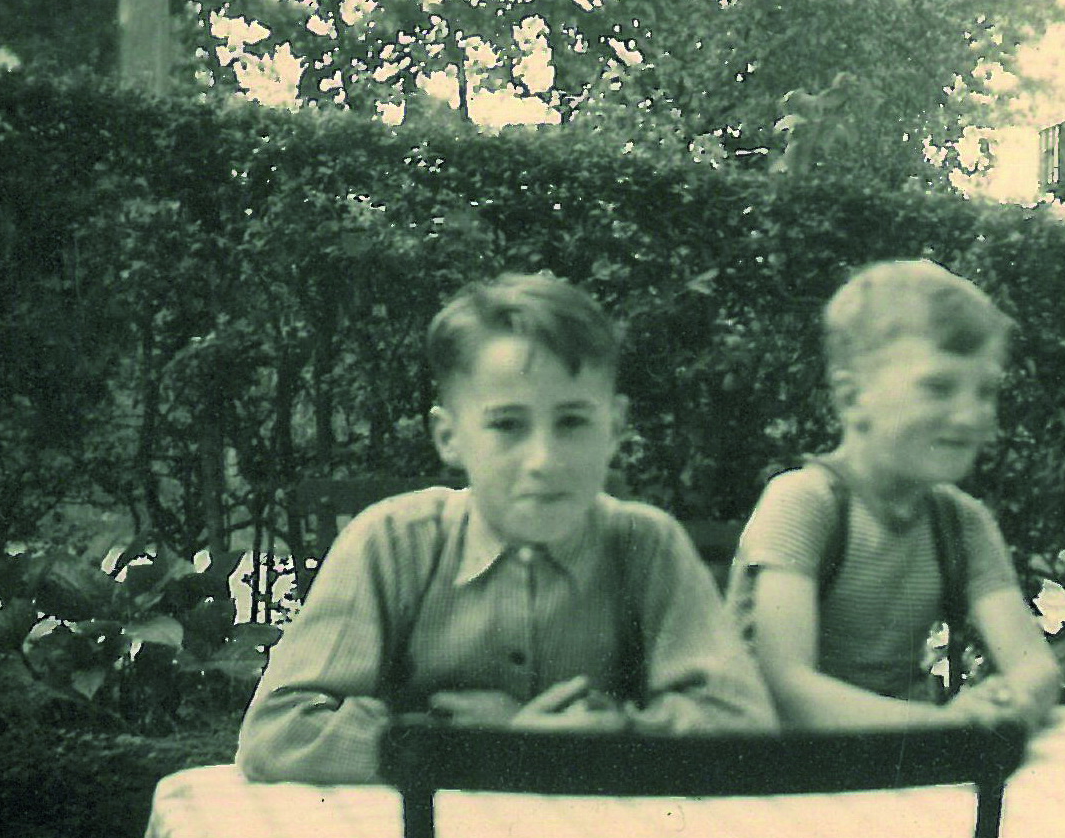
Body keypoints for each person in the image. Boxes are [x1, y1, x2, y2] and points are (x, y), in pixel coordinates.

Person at [237, 271, 776, 783]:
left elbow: (739, 723)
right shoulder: (395, 543)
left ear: (614, 429)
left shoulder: (644, 544)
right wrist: (479, 746)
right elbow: (279, 732)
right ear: (449, 437)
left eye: (572, 422)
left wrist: (606, 734)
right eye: (507, 425)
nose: (543, 459)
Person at [731, 259, 1064, 731]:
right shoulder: (805, 504)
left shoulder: (959, 523)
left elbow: (1036, 668)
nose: (971, 416)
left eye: (986, 391)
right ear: (852, 398)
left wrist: (1009, 702)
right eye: (939, 388)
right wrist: (939, 727)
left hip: (900, 757)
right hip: (775, 764)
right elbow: (787, 687)